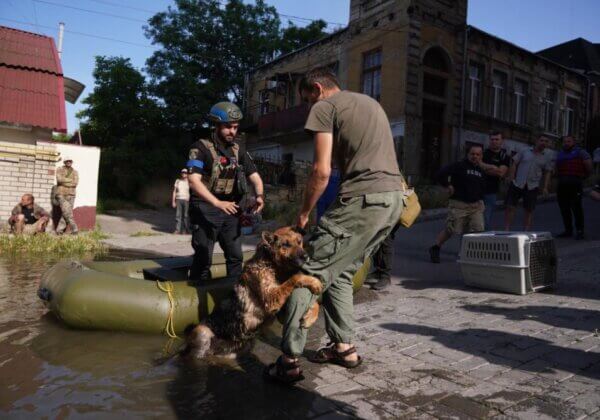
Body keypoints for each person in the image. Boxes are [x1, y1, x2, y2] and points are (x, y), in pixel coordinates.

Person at [265, 67, 403, 383]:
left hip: (363, 200)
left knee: (308, 274)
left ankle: (288, 361)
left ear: (317, 88)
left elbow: (321, 171)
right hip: (393, 201)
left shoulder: (326, 107)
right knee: (339, 273)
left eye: (306, 98)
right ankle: (344, 348)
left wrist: (303, 214)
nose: (307, 106)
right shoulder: (370, 103)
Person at [186, 102, 265, 283]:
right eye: (228, 127)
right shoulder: (200, 148)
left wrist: (259, 196)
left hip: (231, 209)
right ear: (217, 125)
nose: (232, 131)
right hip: (205, 208)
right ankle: (198, 294)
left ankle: (235, 296)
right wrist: (217, 203)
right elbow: (193, 181)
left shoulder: (238, 150)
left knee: (235, 256)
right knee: (203, 258)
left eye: (235, 127)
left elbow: (255, 176)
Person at [428, 144, 486, 264]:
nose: (475, 156)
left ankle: (468, 254)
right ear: (468, 154)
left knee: (478, 229)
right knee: (452, 229)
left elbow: (481, 186)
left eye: (478, 154)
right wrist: (448, 185)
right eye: (472, 154)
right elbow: (440, 174)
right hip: (459, 204)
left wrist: (480, 199)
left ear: (481, 156)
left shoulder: (480, 170)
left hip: (475, 206)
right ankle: (435, 247)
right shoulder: (459, 165)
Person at [504, 136, 554, 231]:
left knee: (529, 210)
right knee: (510, 207)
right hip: (518, 183)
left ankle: (526, 232)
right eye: (541, 140)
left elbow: (548, 172)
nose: (543, 143)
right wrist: (511, 176)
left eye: (546, 141)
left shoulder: (547, 156)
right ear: (536, 141)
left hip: (532, 185)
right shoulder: (524, 150)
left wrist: (545, 187)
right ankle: (507, 230)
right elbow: (514, 162)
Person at [554, 135, 592, 239]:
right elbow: (556, 168)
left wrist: (585, 176)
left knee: (576, 208)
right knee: (564, 208)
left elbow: (588, 165)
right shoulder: (560, 153)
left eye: (569, 141)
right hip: (562, 184)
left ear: (573, 142)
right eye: (565, 141)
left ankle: (580, 231)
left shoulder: (581, 152)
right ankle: (568, 230)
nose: (566, 143)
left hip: (575, 183)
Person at [478, 131, 511, 230]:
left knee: (485, 218)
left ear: (502, 141)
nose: (494, 141)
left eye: (497, 139)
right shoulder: (482, 153)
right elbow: (476, 165)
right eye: (492, 139)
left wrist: (483, 166)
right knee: (473, 218)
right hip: (477, 189)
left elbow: (501, 173)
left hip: (491, 191)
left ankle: (483, 241)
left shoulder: (504, 157)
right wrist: (493, 167)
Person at [55, 156, 79, 235]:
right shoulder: (59, 169)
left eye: (70, 161)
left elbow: (75, 183)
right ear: (64, 162)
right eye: (67, 161)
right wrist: (70, 181)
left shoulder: (75, 172)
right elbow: (59, 179)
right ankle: (74, 228)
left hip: (71, 194)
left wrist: (64, 182)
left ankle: (59, 230)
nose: (69, 162)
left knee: (66, 212)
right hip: (61, 194)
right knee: (67, 212)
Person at [172, 169, 190, 234]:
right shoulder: (177, 181)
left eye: (185, 172)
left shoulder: (189, 182)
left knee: (186, 216)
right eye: (182, 172)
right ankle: (177, 230)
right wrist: (173, 201)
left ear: (187, 174)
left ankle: (185, 230)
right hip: (178, 199)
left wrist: (189, 198)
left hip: (186, 200)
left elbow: (192, 191)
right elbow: (174, 191)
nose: (184, 174)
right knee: (178, 215)